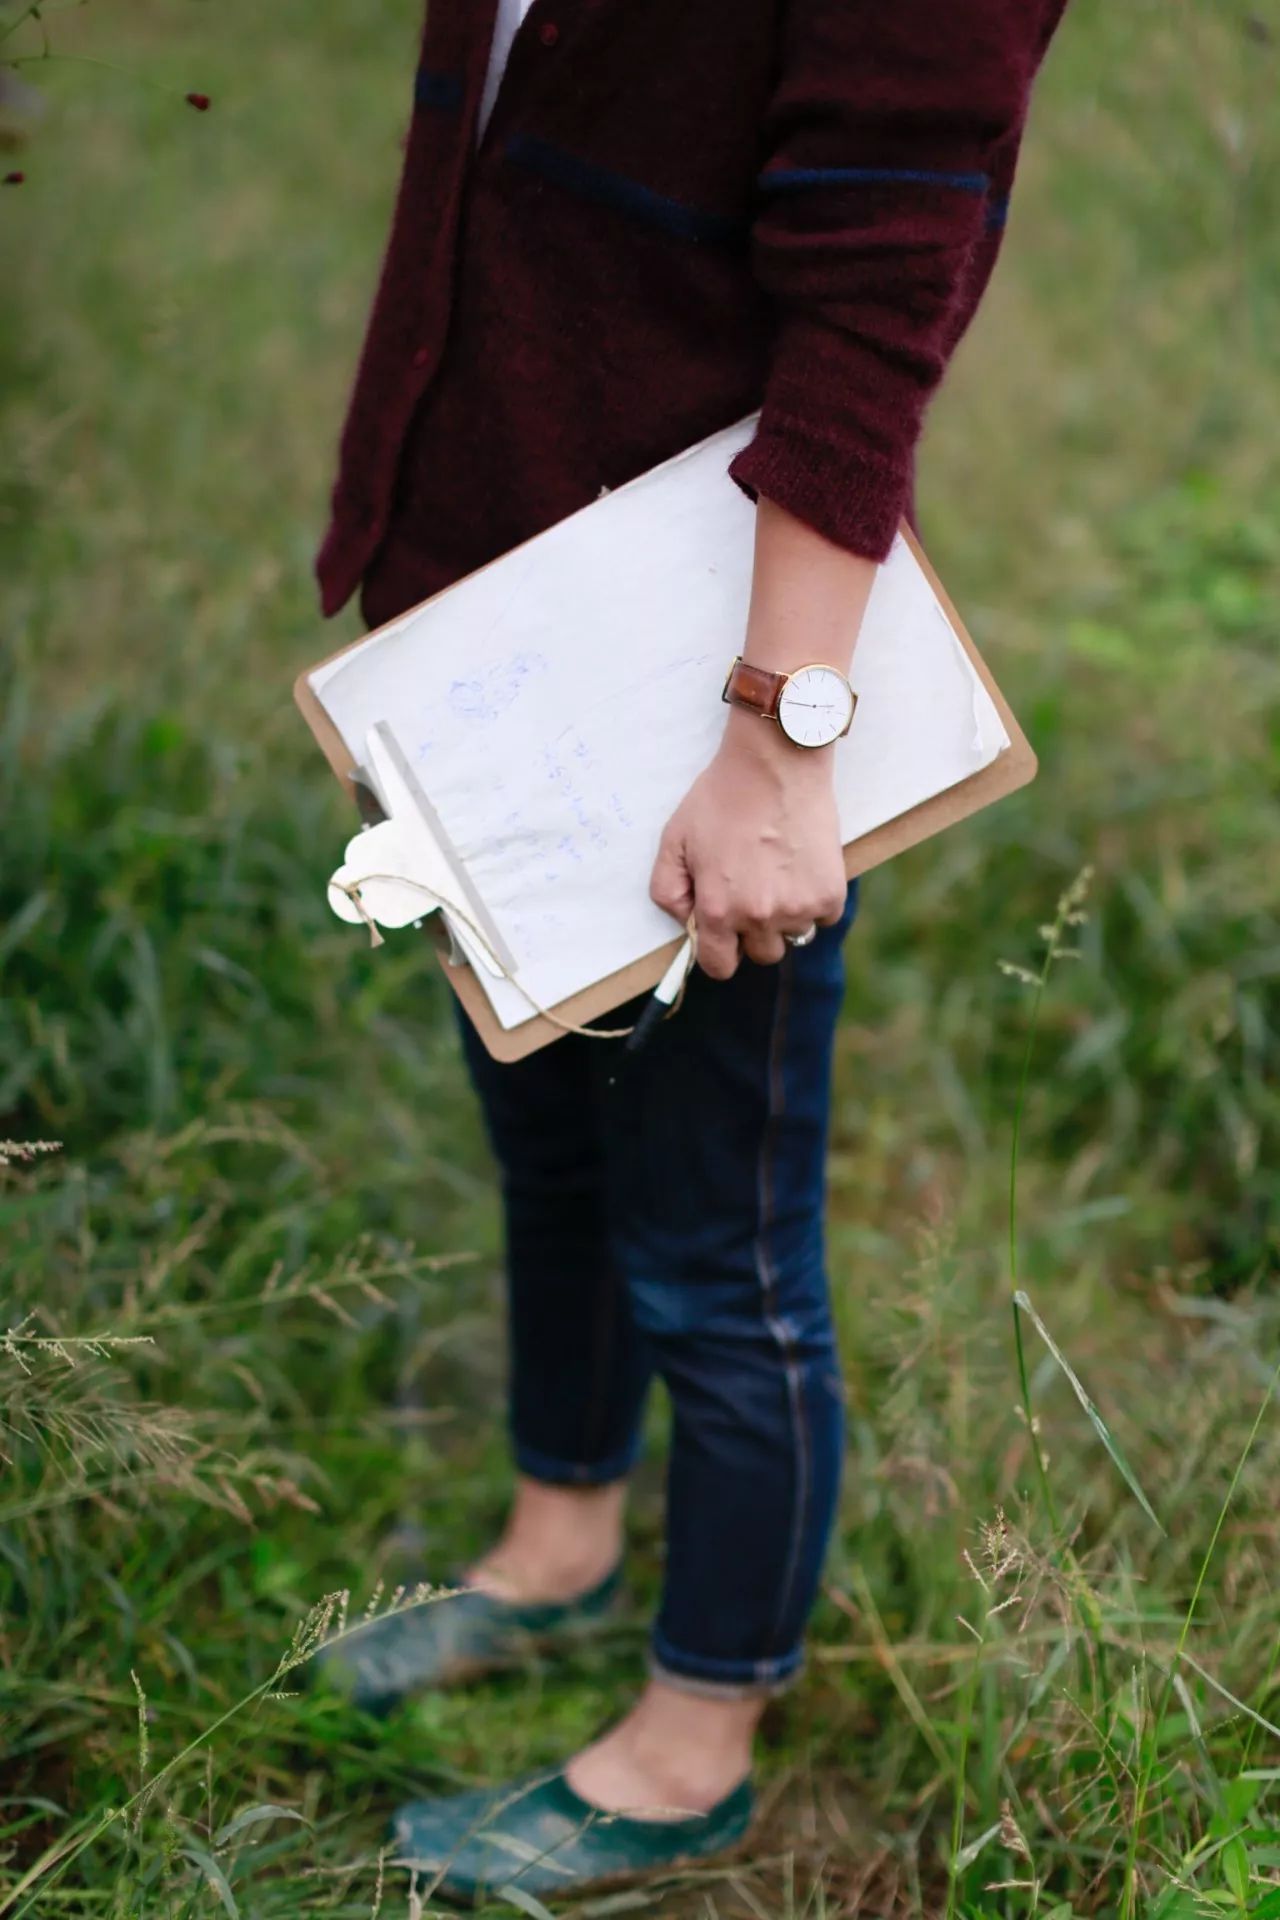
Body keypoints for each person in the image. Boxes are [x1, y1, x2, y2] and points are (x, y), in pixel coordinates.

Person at [313, 0, 1066, 1900]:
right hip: (495, 623)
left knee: (718, 1239)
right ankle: (558, 1546)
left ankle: (694, 1734)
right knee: (546, 1130)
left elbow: (886, 284)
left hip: (698, 674)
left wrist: (771, 736)